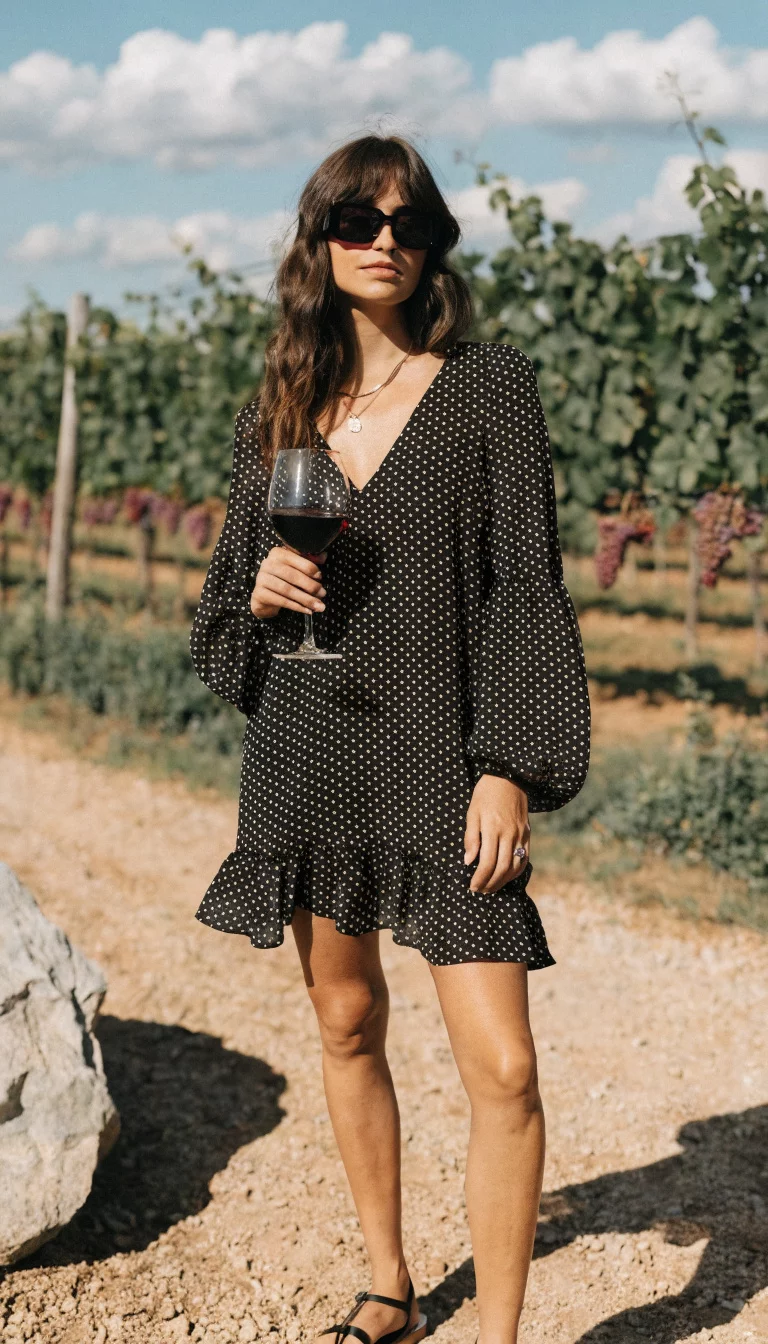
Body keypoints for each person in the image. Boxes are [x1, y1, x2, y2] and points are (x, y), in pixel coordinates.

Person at [190, 134, 590, 1344]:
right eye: (358, 223)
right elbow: (222, 628)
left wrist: (508, 766)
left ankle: (499, 1334)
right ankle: (390, 1285)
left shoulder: (487, 386)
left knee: (504, 1068)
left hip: (443, 755)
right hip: (310, 752)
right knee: (347, 1022)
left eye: (409, 225)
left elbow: (526, 586)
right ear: (319, 242)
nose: (384, 243)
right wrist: (259, 595)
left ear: (435, 247)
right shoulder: (277, 415)